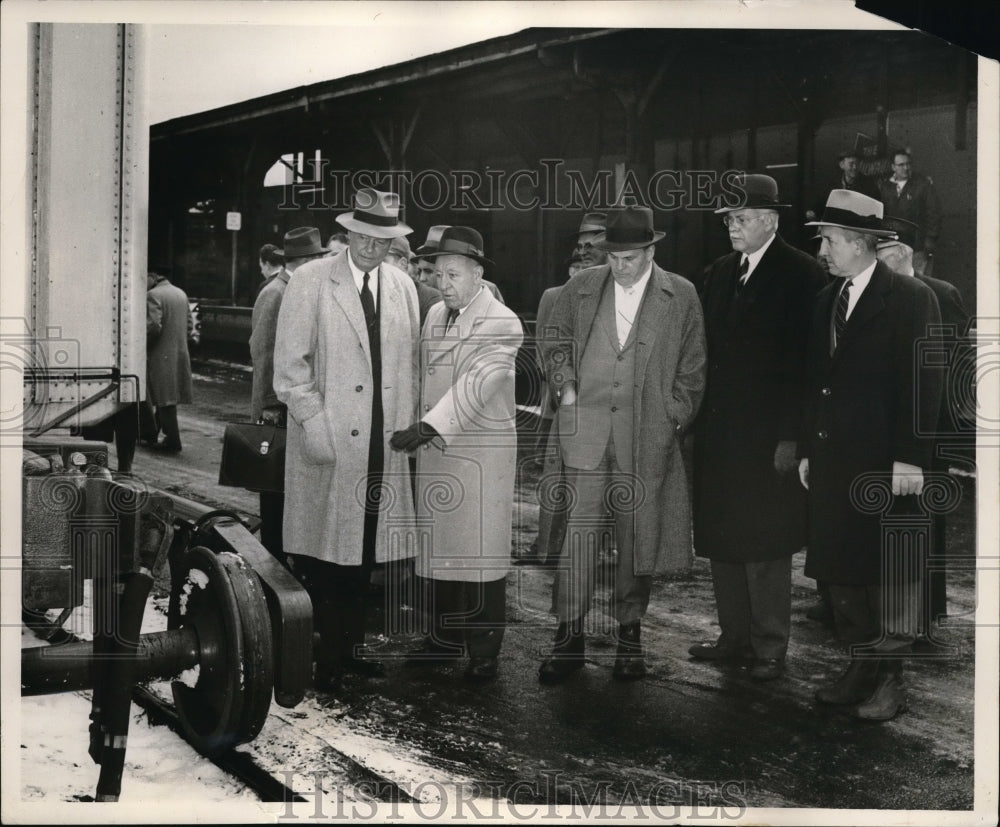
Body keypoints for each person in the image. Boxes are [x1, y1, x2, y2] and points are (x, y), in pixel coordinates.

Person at [537, 204, 707, 683]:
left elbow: (694, 366)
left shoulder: (681, 295)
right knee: (578, 539)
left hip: (646, 437)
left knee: (638, 541)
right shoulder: (582, 287)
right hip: (585, 437)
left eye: (629, 258)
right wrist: (566, 389)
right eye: (613, 256)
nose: (619, 266)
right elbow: (553, 340)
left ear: (650, 251)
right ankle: (568, 639)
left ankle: (629, 639)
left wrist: (672, 417)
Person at [799, 190, 942, 721]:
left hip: (886, 461)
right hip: (834, 459)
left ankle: (891, 680)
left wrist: (911, 457)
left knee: (890, 572)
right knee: (841, 568)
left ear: (860, 243)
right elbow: (816, 382)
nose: (823, 251)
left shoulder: (910, 297)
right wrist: (809, 448)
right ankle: (861, 667)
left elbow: (925, 382)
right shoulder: (826, 300)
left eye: (830, 241)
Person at [273, 188, 421, 693]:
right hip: (331, 439)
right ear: (348, 233)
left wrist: (408, 423)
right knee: (325, 555)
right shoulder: (311, 281)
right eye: (363, 236)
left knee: (364, 551)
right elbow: (289, 368)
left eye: (383, 240)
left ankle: (352, 649)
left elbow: (411, 365)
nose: (371, 247)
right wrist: (315, 422)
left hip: (383, 441)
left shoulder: (401, 286)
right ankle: (324, 655)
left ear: (393, 242)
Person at [690, 174, 826, 681]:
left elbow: (808, 365)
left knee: (766, 539)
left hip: (769, 438)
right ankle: (734, 637)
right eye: (728, 219)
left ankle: (769, 644)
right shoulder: (719, 272)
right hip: (720, 433)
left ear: (770, 221)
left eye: (742, 218)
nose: (732, 226)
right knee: (722, 536)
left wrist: (793, 436)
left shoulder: (803, 274)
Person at [391, 226, 523, 682]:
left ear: (478, 274)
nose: (443, 283)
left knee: (481, 559)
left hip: (479, 459)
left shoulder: (501, 321)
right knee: (441, 556)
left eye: (453, 274)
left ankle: (485, 652)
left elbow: (480, 381)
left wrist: (427, 426)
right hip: (437, 454)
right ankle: (442, 640)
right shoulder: (435, 315)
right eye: (438, 274)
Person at [876, 215, 972, 649]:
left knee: (925, 526)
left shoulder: (941, 294)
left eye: (879, 251)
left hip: (928, 434)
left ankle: (928, 618)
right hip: (885, 430)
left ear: (900, 253)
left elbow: (950, 371)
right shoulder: (871, 294)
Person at [249, 229, 325, 565]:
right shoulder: (276, 292)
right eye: (318, 258)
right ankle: (274, 561)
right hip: (277, 409)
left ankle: (286, 556)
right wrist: (270, 404)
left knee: (288, 485)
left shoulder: (294, 289)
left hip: (288, 406)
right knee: (274, 487)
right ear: (306, 261)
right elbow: (263, 352)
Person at [140, 269, 193, 453]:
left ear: (152, 278)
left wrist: (143, 345)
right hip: (179, 354)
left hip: (160, 355)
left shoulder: (153, 295)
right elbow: (190, 326)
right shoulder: (181, 293)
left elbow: (154, 326)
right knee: (167, 397)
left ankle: (172, 440)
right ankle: (150, 433)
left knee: (164, 399)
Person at [878, 151, 941, 277]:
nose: (906, 168)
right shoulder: (885, 187)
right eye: (901, 165)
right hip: (893, 245)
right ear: (893, 167)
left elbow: (933, 213)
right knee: (895, 279)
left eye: (908, 164)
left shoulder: (922, 185)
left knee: (917, 280)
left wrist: (930, 238)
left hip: (917, 245)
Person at [807, 149, 878, 220]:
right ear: (842, 165)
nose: (855, 167)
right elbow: (822, 202)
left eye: (857, 164)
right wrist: (813, 212)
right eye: (851, 164)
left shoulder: (869, 184)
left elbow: (875, 208)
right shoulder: (833, 183)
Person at [386, 234, 440, 325]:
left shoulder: (432, 299)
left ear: (403, 263)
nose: (421, 278)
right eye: (420, 271)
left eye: (384, 261)